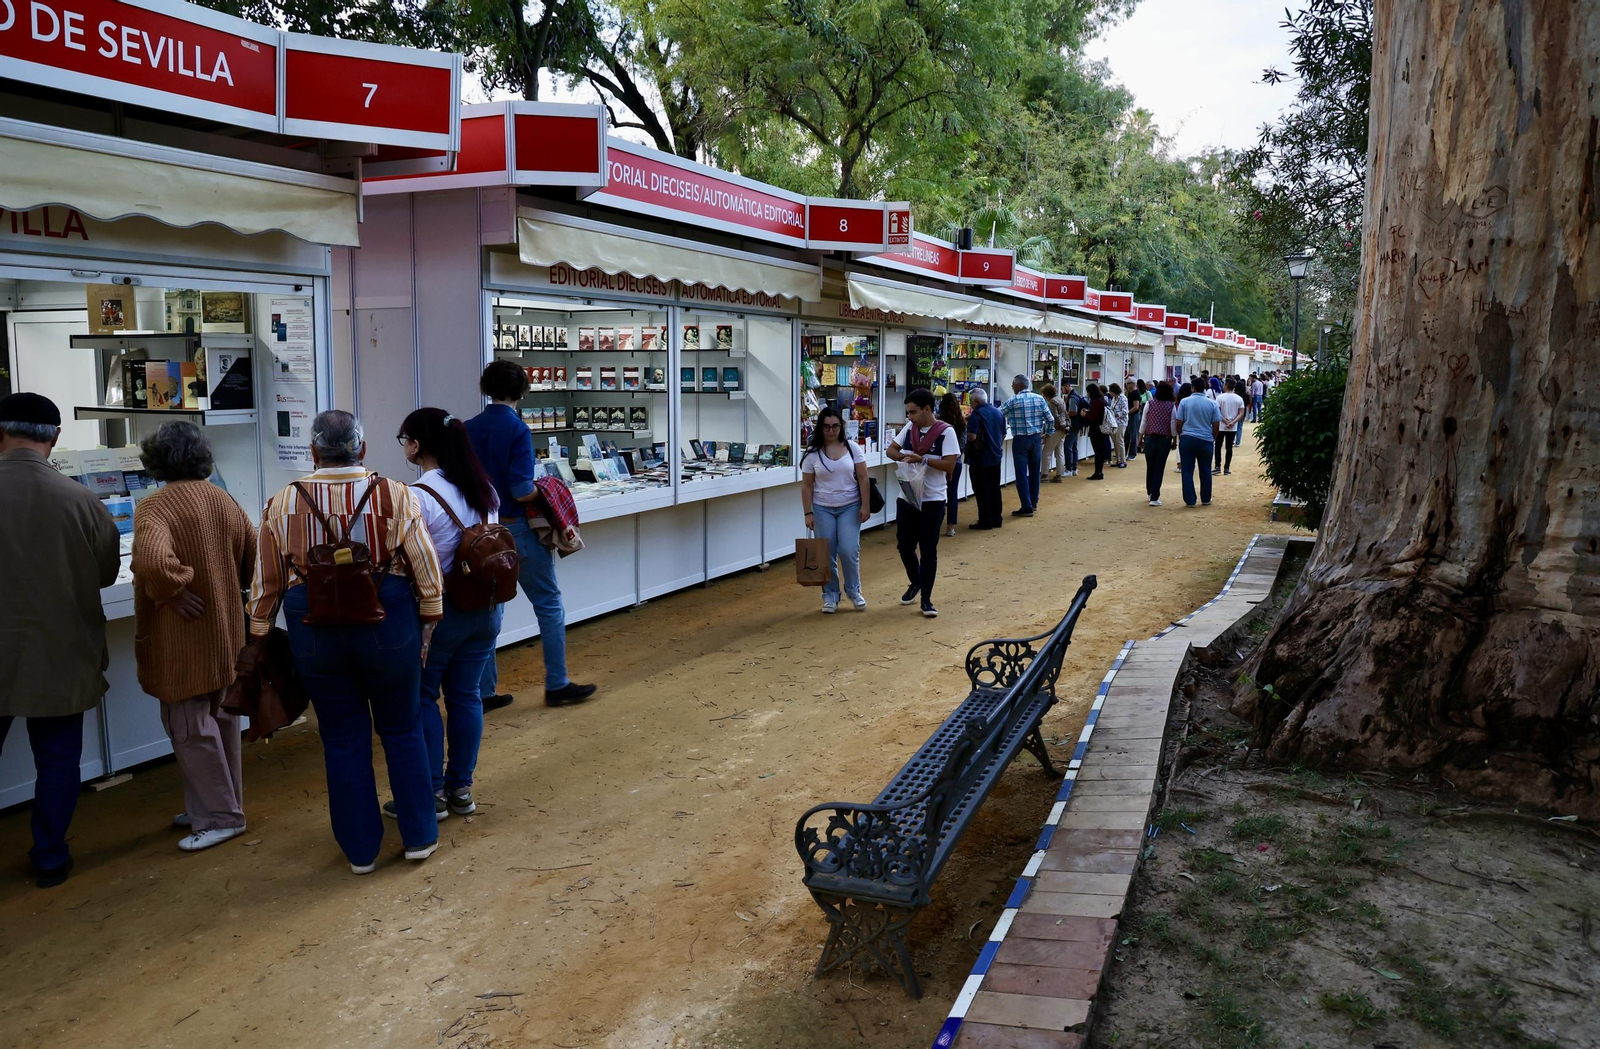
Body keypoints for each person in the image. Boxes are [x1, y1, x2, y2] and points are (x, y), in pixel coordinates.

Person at [245, 410, 446, 874]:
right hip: (388, 622)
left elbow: (266, 583)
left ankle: (360, 851)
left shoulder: (282, 503)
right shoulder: (394, 494)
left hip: (314, 629)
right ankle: (418, 835)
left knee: (340, 737)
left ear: (313, 452)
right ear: (362, 449)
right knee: (402, 727)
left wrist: (258, 637)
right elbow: (425, 569)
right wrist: (430, 621)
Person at [0, 393, 120, 888]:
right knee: (57, 761)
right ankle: (49, 857)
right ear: (55, 439)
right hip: (61, 651)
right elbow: (108, 574)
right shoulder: (82, 500)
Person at [129, 421, 256, 852]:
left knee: (187, 725)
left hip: (182, 639)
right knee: (221, 719)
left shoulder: (155, 506)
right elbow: (254, 552)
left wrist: (173, 590)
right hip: (224, 633)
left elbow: (151, 560)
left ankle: (220, 817)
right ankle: (216, 803)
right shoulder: (221, 498)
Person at [388, 407, 503, 822]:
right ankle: (462, 789)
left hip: (441, 613)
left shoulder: (418, 495)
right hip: (487, 609)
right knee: (466, 695)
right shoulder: (484, 488)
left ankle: (432, 793)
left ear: (417, 446)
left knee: (423, 697)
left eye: (405, 441)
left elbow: (408, 559)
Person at [466, 361, 595, 710]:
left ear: (485, 388)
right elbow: (522, 490)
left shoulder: (467, 428)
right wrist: (549, 489)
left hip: (481, 530)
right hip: (518, 527)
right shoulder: (518, 429)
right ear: (523, 390)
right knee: (549, 604)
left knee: (490, 610)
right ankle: (557, 683)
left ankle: (484, 691)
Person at [886, 388, 960, 618]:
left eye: (913, 412)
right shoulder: (910, 428)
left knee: (928, 549)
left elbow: (950, 465)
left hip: (932, 499)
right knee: (904, 545)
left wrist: (923, 460)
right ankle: (916, 581)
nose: (910, 417)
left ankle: (926, 599)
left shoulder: (946, 433)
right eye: (908, 413)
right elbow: (891, 450)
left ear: (927, 409)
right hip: (908, 496)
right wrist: (904, 459)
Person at [799, 405, 870, 613]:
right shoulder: (812, 454)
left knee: (849, 550)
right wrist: (808, 513)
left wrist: (865, 505)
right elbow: (807, 486)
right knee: (825, 553)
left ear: (841, 426)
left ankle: (853, 590)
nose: (831, 430)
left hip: (850, 505)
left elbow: (864, 478)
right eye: (827, 427)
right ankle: (830, 594)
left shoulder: (853, 448)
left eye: (835, 426)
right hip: (822, 508)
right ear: (820, 428)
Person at [1000, 374, 1050, 517]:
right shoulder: (1040, 399)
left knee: (1021, 473)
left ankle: (1026, 505)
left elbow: (998, 413)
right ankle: (1034, 502)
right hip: (1036, 438)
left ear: (1018, 385)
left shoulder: (1013, 400)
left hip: (1020, 440)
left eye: (1013, 384)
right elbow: (1050, 419)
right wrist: (1047, 433)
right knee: (1035, 472)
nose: (1011, 387)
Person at [1174, 384, 1222, 508]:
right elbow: (1216, 424)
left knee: (1187, 470)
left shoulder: (1184, 402)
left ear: (1193, 388)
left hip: (1187, 438)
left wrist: (1181, 434)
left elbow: (1179, 422)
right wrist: (1213, 437)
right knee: (1205, 469)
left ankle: (1190, 500)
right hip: (1206, 439)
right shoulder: (1212, 403)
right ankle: (1206, 498)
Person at [965, 386, 1005, 530]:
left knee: (981, 490)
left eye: (970, 401)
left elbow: (972, 437)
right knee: (995, 488)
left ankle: (985, 519)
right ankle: (996, 518)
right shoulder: (998, 412)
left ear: (975, 401)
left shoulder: (976, 415)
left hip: (980, 458)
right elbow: (1003, 434)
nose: (970, 403)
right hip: (995, 456)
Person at [1139, 382, 1179, 506]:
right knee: (1159, 468)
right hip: (1164, 439)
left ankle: (1149, 492)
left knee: (1150, 466)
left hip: (1150, 438)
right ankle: (1155, 497)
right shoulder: (1171, 406)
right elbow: (1173, 424)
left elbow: (1144, 422)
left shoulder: (1149, 404)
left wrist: (1140, 438)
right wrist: (1174, 440)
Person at [937, 392, 968, 537]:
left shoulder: (938, 424)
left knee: (936, 493)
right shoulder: (962, 424)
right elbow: (962, 445)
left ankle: (935, 523)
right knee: (952, 493)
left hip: (938, 463)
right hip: (956, 462)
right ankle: (950, 526)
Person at [1216, 379, 1246, 475]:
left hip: (1221, 425)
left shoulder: (1220, 398)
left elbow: (1217, 412)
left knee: (1218, 446)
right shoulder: (1239, 399)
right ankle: (1227, 468)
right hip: (1232, 427)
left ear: (1225, 386)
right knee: (1229, 447)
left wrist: (1225, 420)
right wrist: (1232, 422)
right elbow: (1241, 413)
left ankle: (1217, 466)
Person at [1081, 384, 1111, 480]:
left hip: (1096, 429)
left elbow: (1094, 417)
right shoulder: (1101, 401)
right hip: (1100, 429)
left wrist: (1085, 415)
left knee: (1098, 452)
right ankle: (1099, 472)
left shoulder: (1096, 402)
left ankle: (1098, 472)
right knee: (1099, 452)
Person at [1042, 383, 1070, 482]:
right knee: (1059, 452)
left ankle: (1044, 474)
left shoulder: (1052, 402)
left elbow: (1053, 417)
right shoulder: (1060, 399)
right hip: (1063, 428)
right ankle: (1059, 474)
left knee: (1046, 452)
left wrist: (1048, 432)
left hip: (1057, 428)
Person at [1063, 381, 1085, 476]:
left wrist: (1064, 414)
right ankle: (1074, 468)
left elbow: (1073, 412)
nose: (1062, 390)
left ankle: (1069, 468)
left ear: (1067, 386)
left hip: (1073, 424)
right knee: (1074, 446)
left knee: (1067, 446)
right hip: (1077, 424)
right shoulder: (1077, 395)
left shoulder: (1072, 398)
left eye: (1062, 388)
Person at [1106, 383, 1129, 468]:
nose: (1109, 392)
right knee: (1115, 442)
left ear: (1113, 391)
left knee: (1120, 441)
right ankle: (1118, 460)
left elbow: (1125, 411)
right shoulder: (1114, 398)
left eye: (1110, 391)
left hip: (1121, 422)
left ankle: (1123, 460)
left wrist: (1115, 414)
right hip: (1114, 422)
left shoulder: (1122, 398)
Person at [1125, 379, 1146, 461]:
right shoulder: (1129, 393)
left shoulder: (1135, 393)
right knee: (1126, 435)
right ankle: (1125, 452)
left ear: (1133, 384)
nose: (1126, 385)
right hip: (1130, 415)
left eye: (1128, 383)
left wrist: (1127, 413)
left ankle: (1132, 453)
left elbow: (1136, 407)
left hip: (1133, 416)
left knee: (1133, 435)